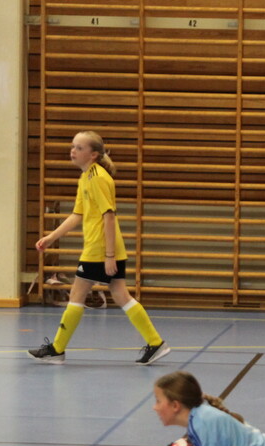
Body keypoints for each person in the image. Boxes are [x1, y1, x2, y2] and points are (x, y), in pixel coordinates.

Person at [28, 131, 170, 366]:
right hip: (102, 247)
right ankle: (155, 343)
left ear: (93, 154)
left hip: (99, 249)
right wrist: (51, 237)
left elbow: (109, 216)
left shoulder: (98, 178)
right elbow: (77, 214)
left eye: (79, 148)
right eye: (73, 146)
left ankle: (57, 349)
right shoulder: (86, 177)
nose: (73, 151)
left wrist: (109, 255)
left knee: (77, 295)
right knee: (120, 294)